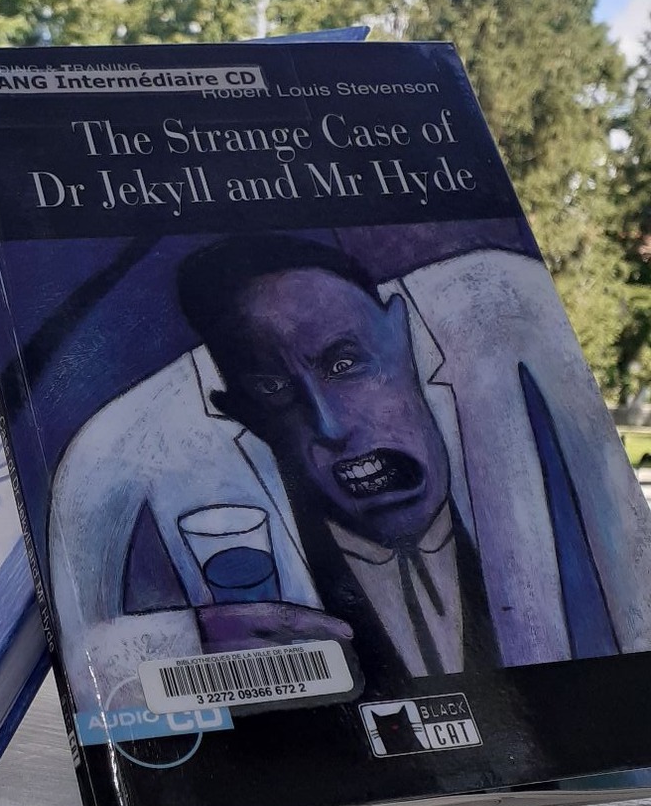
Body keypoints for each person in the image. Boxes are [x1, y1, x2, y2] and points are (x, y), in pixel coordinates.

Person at [47, 237, 651, 711]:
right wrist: (184, 651)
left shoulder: (508, 374)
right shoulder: (127, 461)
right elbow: (89, 685)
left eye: (345, 363)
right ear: (244, 413)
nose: (329, 424)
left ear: (403, 336)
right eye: (274, 389)